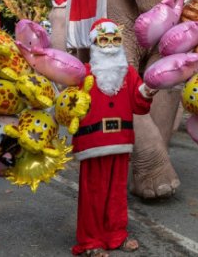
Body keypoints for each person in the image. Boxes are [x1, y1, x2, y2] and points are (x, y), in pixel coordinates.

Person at [70, 18, 157, 257]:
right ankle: (90, 241)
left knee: (117, 192)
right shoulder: (83, 73)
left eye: (114, 40)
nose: (109, 45)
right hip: (93, 143)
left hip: (120, 140)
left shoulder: (127, 73)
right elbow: (70, 107)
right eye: (103, 40)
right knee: (93, 192)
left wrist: (148, 90)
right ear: (95, 43)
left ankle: (116, 235)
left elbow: (139, 105)